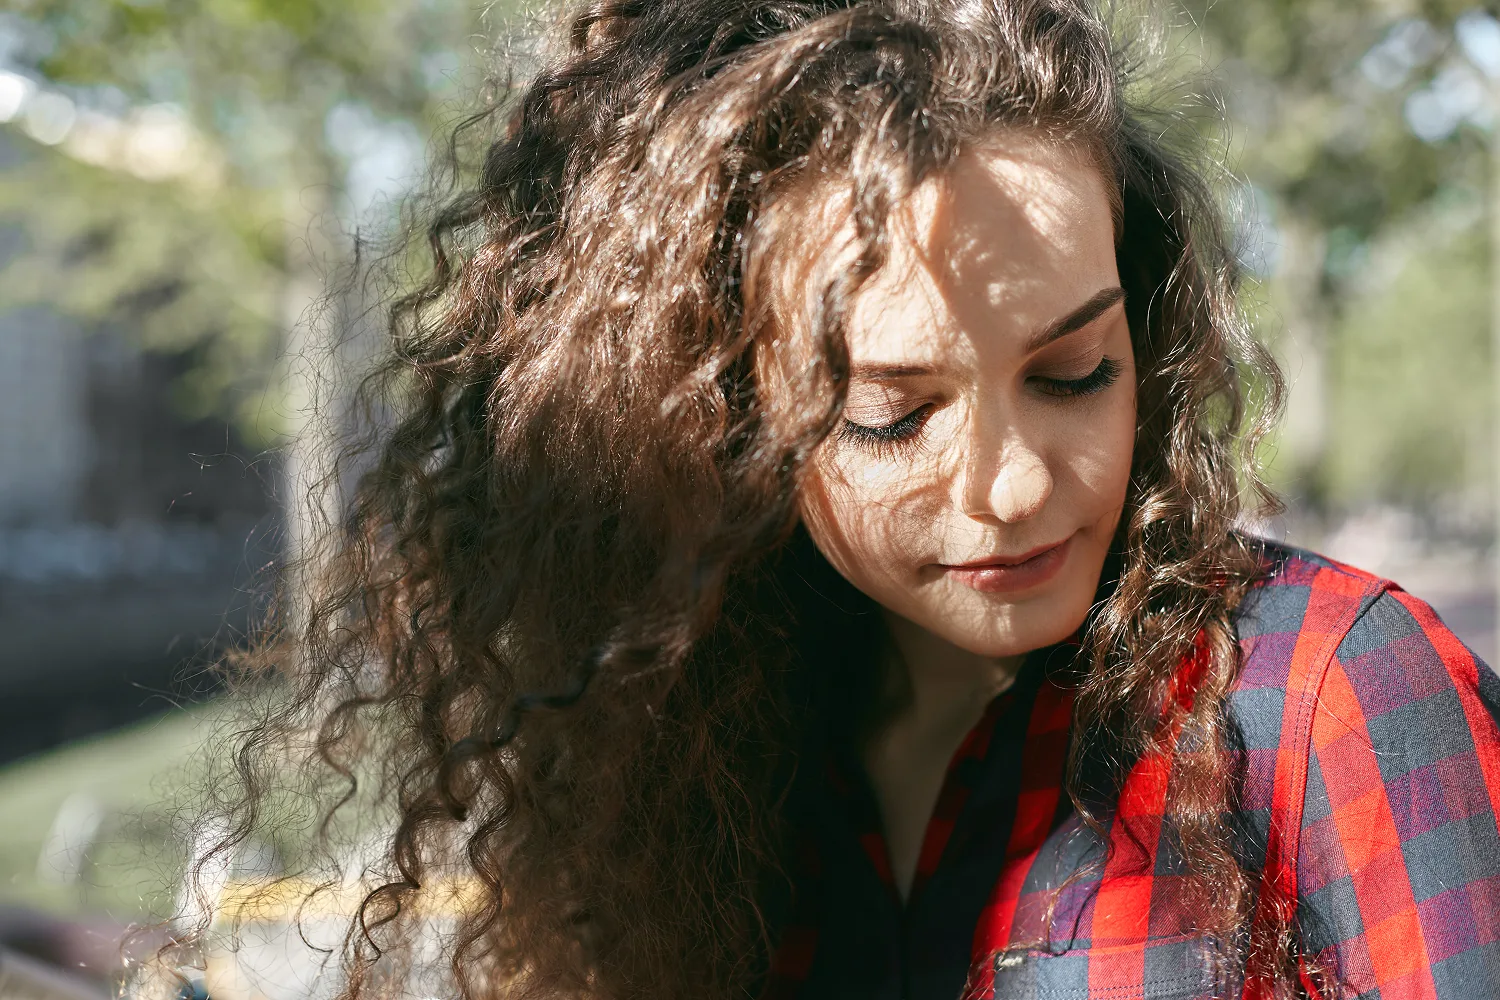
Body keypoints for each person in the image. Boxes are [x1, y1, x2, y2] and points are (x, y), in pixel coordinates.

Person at [192, 1, 1500, 998]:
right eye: (892, 411)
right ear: (721, 414)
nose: (1011, 484)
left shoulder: (1326, 692)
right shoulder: (714, 748)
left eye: (1074, 371)